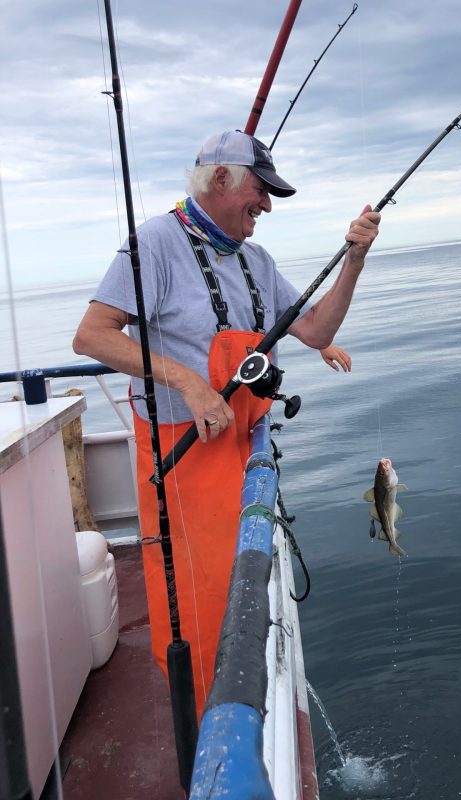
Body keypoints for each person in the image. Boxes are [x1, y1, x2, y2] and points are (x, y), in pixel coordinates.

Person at [73, 130, 379, 713]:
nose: (266, 206)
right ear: (221, 180)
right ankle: (207, 714)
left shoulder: (256, 259)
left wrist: (355, 260)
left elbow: (316, 331)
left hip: (244, 444)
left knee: (240, 576)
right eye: (261, 191)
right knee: (198, 592)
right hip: (181, 452)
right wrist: (187, 381)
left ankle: (238, 694)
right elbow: (92, 335)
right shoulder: (156, 242)